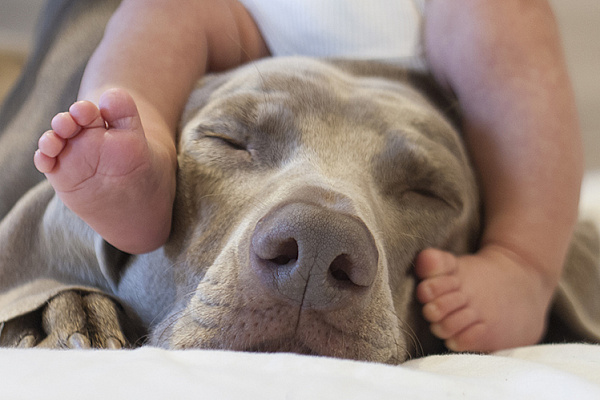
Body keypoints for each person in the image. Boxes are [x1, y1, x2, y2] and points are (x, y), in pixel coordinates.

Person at [32, 0, 583, 353]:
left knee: (505, 14)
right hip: (254, 24)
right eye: (230, 143)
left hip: (425, 41)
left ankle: (522, 260)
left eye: (424, 190)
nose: (313, 250)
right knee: (162, 9)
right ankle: (138, 149)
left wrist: (525, 263)